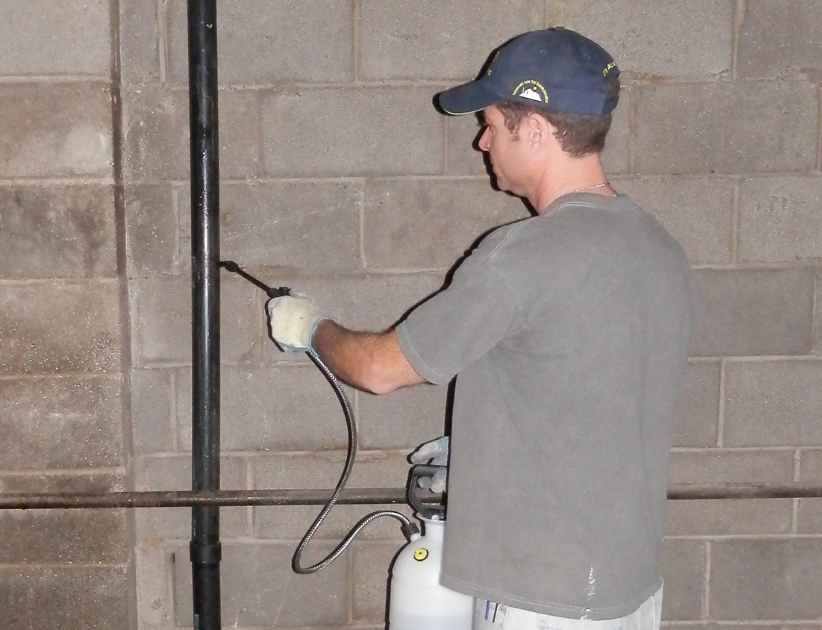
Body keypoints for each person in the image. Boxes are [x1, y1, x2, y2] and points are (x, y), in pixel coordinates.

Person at [266, 27, 698, 630]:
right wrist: (484, 446)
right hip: (627, 591)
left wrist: (310, 327)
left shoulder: (521, 255)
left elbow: (378, 369)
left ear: (536, 130)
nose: (482, 141)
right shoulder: (660, 248)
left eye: (492, 123)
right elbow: (590, 395)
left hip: (543, 600)